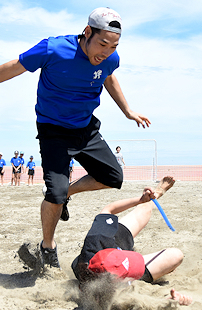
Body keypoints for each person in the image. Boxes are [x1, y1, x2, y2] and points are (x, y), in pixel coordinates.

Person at [0, 7, 150, 268]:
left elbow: (109, 77)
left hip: (85, 128)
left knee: (113, 178)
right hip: (54, 130)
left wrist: (127, 110)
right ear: (87, 32)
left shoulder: (110, 59)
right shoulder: (53, 49)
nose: (106, 52)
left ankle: (66, 193)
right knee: (53, 195)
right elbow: (15, 67)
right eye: (102, 44)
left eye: (113, 46)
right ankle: (48, 247)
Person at [71, 176, 192, 306]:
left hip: (112, 247)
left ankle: (155, 194)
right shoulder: (118, 293)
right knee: (176, 255)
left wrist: (140, 200)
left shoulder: (97, 239)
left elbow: (108, 209)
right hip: (114, 263)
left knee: (144, 208)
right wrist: (168, 301)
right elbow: (143, 304)